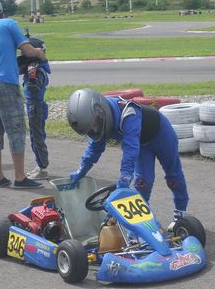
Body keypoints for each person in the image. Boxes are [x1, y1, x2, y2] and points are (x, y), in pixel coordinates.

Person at [66, 88, 190, 222]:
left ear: (99, 111)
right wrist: (81, 170)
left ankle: (180, 213)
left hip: (161, 135)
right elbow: (94, 149)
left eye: (95, 125)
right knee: (142, 183)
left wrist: (125, 176)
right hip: (141, 144)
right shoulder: (98, 121)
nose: (95, 129)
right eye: (90, 130)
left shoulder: (128, 112)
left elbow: (130, 149)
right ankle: (143, 219)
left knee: (173, 177)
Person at [0, 0, 47, 189]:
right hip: (5, 83)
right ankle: (20, 177)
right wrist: (39, 52)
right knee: (16, 129)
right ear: (2, 13)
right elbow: (27, 51)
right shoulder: (9, 24)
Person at [19, 36, 51, 180]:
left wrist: (31, 77)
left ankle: (42, 168)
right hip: (34, 106)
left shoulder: (38, 70)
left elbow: (34, 88)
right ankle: (40, 165)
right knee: (35, 136)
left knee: (37, 137)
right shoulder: (35, 68)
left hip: (36, 106)